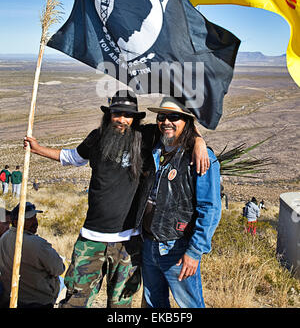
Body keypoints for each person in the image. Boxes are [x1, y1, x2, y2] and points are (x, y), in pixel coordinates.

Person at [23, 90, 209, 309]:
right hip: (91, 238)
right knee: (76, 301)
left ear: (135, 118)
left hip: (128, 242)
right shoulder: (97, 137)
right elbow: (72, 157)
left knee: (121, 304)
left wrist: (199, 142)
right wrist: (38, 150)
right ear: (108, 115)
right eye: (117, 113)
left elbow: (177, 130)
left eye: (128, 115)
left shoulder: (146, 136)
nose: (122, 119)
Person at [134, 97, 222, 308]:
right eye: (162, 117)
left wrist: (194, 252)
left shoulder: (200, 157)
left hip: (176, 248)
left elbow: (209, 208)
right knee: (153, 303)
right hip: (149, 244)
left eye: (174, 117)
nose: (166, 122)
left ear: (187, 122)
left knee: (189, 305)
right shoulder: (155, 148)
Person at [0, 202, 65, 308]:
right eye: (29, 219)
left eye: (35, 217)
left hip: (13, 296)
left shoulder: (4, 238)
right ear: (16, 221)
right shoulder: (37, 244)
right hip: (37, 300)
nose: (35, 222)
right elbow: (59, 269)